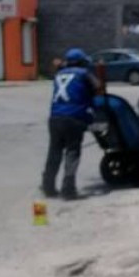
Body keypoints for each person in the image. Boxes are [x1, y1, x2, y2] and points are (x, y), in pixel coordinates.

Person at [42, 48, 100, 199]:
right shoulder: (84, 73)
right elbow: (97, 87)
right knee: (72, 152)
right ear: (81, 62)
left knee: (54, 152)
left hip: (55, 117)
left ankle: (48, 186)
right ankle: (68, 188)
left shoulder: (59, 74)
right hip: (74, 117)